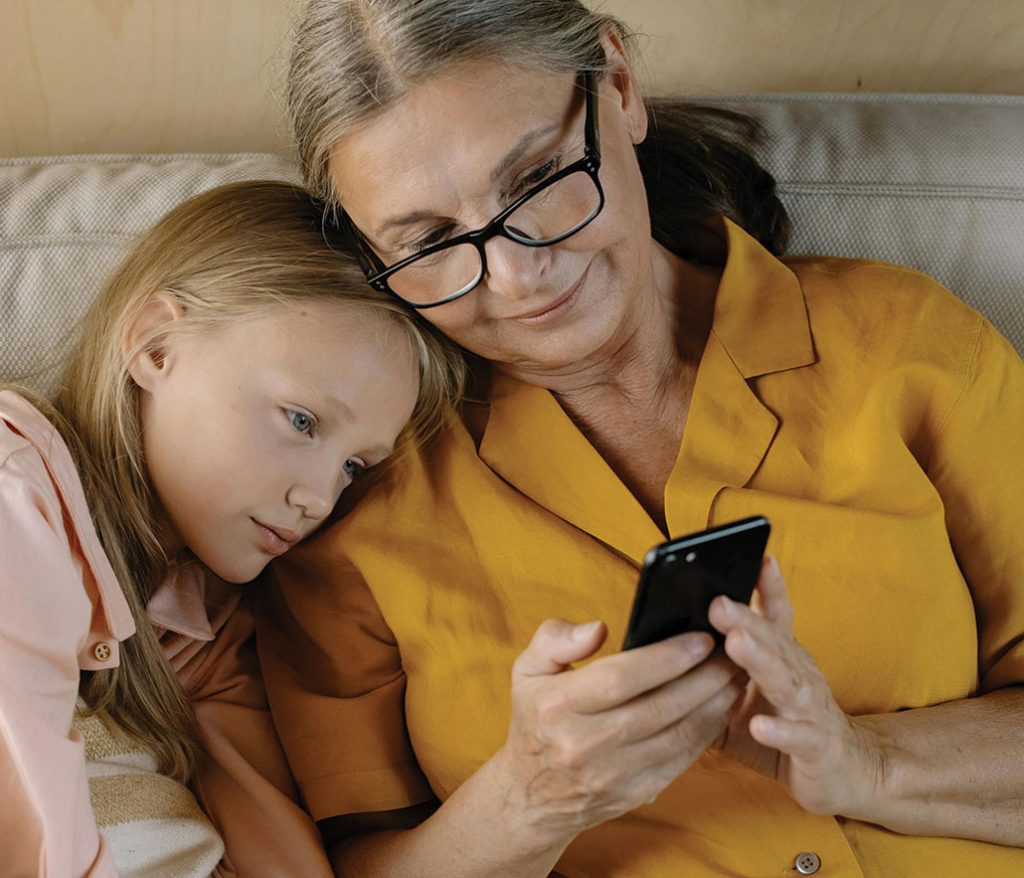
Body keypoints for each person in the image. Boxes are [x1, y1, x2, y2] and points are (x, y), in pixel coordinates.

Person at [257, 2, 1024, 876]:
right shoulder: (349, 500)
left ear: (618, 86)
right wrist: (527, 801)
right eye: (431, 241)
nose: (516, 275)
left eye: (538, 178)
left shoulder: (908, 347)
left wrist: (867, 764)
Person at [0, 180, 464, 877]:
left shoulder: (201, 624)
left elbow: (273, 839)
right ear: (155, 345)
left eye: (353, 467)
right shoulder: (18, 487)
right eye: (302, 421)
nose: (319, 499)